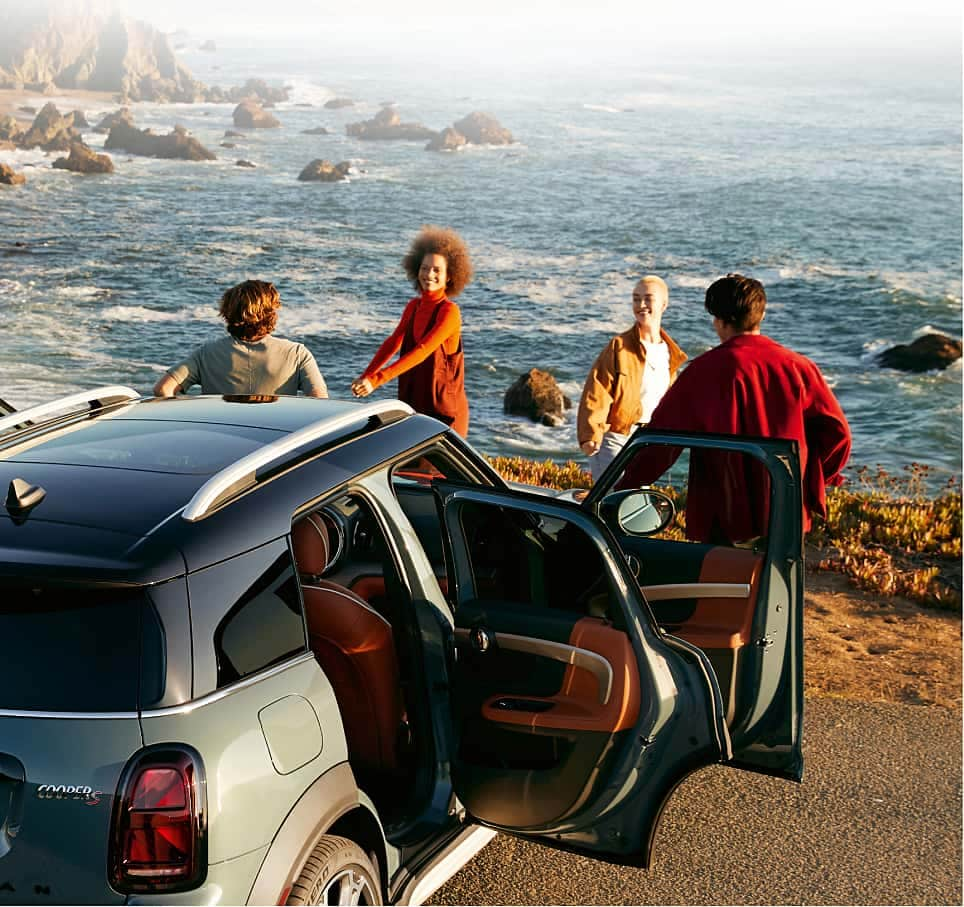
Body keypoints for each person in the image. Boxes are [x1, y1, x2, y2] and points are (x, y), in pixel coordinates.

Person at [618, 273, 851, 543]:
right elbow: (838, 433)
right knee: (780, 582)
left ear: (717, 320)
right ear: (760, 316)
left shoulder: (702, 372)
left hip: (724, 512)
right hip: (786, 509)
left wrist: (622, 489)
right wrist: (815, 478)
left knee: (723, 584)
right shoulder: (800, 368)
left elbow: (658, 442)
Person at [351, 226, 471, 436]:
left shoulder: (450, 312)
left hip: (444, 414)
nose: (429, 275)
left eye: (436, 270)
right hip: (414, 407)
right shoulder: (413, 307)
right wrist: (367, 375)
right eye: (424, 268)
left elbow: (423, 350)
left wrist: (377, 380)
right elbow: (393, 342)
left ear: (449, 276)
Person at [577, 276, 687, 481]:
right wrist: (590, 435)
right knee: (613, 502)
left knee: (632, 503)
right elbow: (597, 390)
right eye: (636, 299)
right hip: (615, 439)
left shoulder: (670, 352)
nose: (641, 305)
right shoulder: (619, 346)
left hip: (647, 441)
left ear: (664, 304)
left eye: (648, 298)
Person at [153, 280, 328, 398]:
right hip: (276, 443)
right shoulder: (296, 353)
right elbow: (319, 398)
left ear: (227, 314)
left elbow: (163, 389)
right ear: (271, 315)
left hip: (222, 439)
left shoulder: (206, 354)